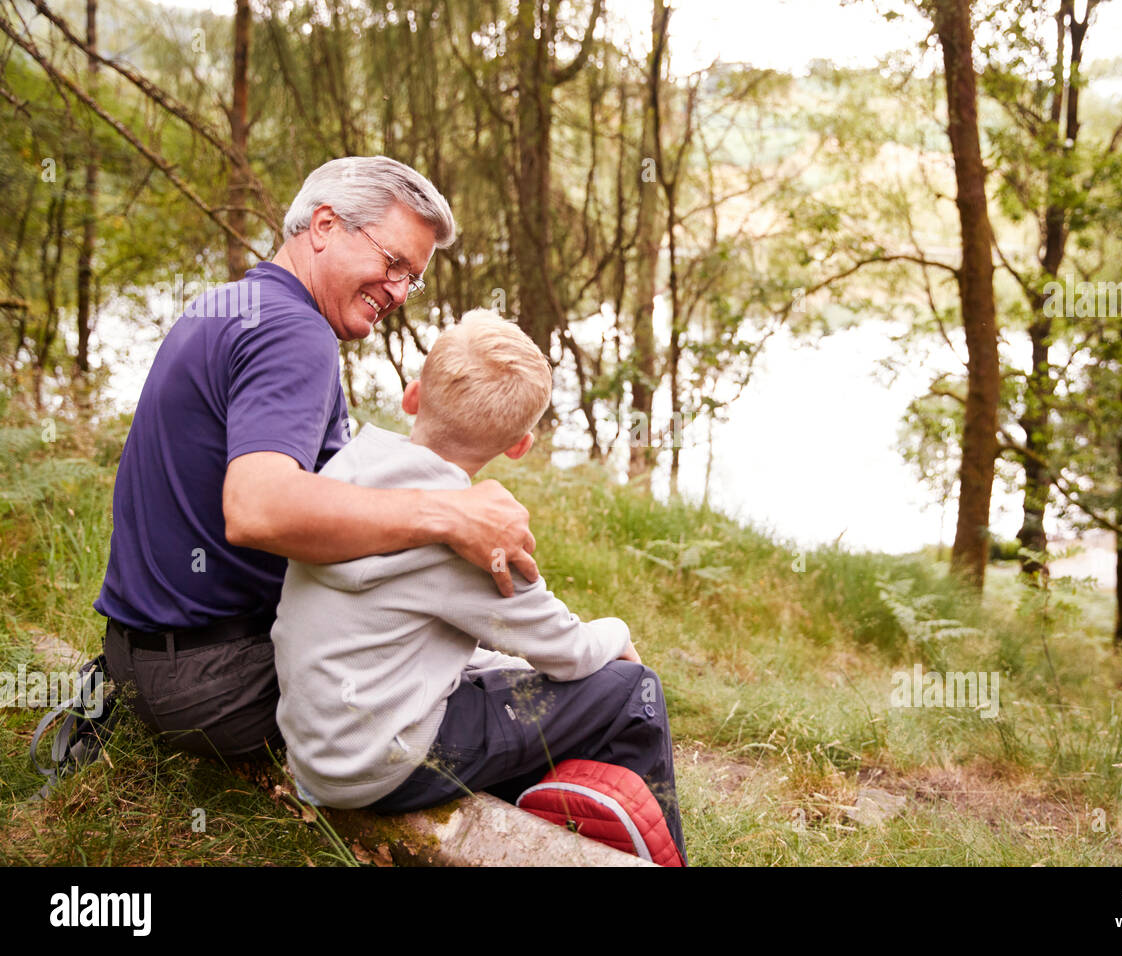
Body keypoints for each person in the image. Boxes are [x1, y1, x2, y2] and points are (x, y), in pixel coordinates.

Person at [95, 156, 539, 761]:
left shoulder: (227, 305)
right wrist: (452, 514)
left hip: (137, 662)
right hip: (216, 685)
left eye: (413, 277)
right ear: (325, 226)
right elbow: (258, 508)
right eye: (393, 262)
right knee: (534, 701)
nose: (400, 291)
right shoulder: (295, 332)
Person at [270, 310, 687, 863]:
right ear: (519, 446)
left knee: (515, 677)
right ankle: (649, 853)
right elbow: (567, 652)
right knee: (634, 690)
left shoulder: (349, 472)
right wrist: (618, 632)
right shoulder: (471, 534)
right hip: (379, 766)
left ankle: (566, 810)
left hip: (319, 744)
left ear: (412, 395)